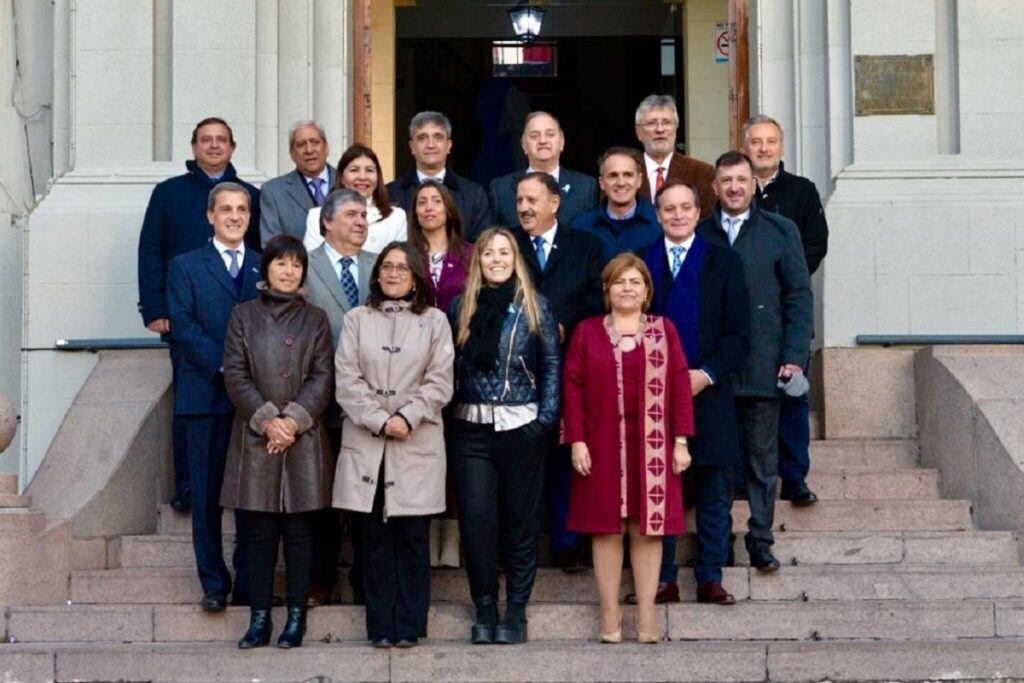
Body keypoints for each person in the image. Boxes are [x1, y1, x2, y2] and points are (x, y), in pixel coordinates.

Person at [564, 253, 694, 644]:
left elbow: (679, 384)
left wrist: (681, 442)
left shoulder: (663, 330)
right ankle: (609, 618)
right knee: (605, 530)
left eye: (635, 282)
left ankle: (648, 616)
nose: (627, 288)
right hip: (601, 443)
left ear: (647, 291)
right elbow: (573, 387)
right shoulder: (587, 332)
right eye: (619, 282)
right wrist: (577, 441)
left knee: (647, 530)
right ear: (607, 289)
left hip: (651, 446)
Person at [333, 242, 455, 649]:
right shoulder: (356, 319)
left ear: (417, 275)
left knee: (412, 538)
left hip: (416, 440)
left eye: (403, 268)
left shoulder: (435, 322)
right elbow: (346, 379)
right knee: (372, 539)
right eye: (387, 267)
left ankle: (409, 625)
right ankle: (379, 625)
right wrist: (380, 419)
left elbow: (440, 380)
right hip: (368, 441)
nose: (393, 274)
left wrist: (406, 416)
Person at [138, 116, 261, 513]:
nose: (213, 146)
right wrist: (155, 309)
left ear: (232, 147)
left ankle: (235, 482)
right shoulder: (169, 193)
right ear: (193, 147)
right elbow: (151, 250)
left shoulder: (251, 196)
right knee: (190, 404)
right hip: (186, 317)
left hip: (242, 323)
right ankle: (189, 485)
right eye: (205, 140)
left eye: (221, 140)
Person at [697, 151, 812, 572]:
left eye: (741, 180)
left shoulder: (781, 231)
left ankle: (760, 539)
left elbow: (799, 297)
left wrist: (794, 357)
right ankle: (718, 541)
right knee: (717, 462)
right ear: (714, 186)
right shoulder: (699, 233)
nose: (734, 188)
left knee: (764, 463)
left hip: (765, 365)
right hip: (714, 370)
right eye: (726, 180)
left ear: (753, 184)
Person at [221, 235, 335, 649]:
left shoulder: (316, 318)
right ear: (265, 268)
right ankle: (259, 619)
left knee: (302, 534)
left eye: (296, 265)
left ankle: (296, 620)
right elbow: (235, 374)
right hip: (256, 438)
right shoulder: (243, 316)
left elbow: (324, 376)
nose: (288, 271)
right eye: (280, 264)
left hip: (302, 439)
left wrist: (293, 422)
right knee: (260, 535)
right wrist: (269, 421)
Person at [448, 227, 561, 645]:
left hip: (521, 429)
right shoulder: (460, 307)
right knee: (477, 523)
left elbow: (551, 365)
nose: (497, 259)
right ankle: (484, 607)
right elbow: (448, 369)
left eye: (504, 252)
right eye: (489, 253)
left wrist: (544, 421)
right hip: (470, 430)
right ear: (478, 259)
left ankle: (515, 611)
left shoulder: (535, 306)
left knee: (520, 523)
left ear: (516, 259)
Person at [641, 181, 750, 606]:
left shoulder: (724, 261)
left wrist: (705, 374)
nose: (678, 215)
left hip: (710, 393)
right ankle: (663, 578)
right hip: (653, 397)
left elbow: (740, 334)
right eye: (669, 209)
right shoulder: (643, 262)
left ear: (699, 211)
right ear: (658, 213)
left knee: (713, 492)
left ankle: (709, 577)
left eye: (686, 208)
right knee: (660, 489)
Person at [166, 182, 260, 611]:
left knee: (248, 497)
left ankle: (247, 583)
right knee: (205, 498)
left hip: (254, 401)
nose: (235, 216)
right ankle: (214, 583)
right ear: (210, 216)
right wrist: (226, 367)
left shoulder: (263, 266)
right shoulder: (185, 266)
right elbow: (183, 327)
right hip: (205, 395)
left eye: (242, 209)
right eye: (226, 209)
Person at [512, 171, 604, 572]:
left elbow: (598, 297)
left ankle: (568, 545)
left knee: (569, 457)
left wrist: (562, 321)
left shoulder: (585, 245)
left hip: (573, 365)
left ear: (555, 203)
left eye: (532, 200)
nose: (524, 208)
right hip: (518, 371)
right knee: (524, 462)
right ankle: (520, 547)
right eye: (519, 201)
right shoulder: (507, 246)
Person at [742, 114, 829, 506]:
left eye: (770, 141)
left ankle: (794, 477)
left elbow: (815, 243)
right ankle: (747, 477)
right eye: (756, 142)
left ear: (781, 147)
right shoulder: (734, 189)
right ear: (745, 147)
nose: (763, 148)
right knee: (744, 399)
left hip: (787, 316)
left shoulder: (802, 191)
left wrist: (781, 281)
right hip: (745, 318)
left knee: (792, 399)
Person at [303, 188, 379, 606]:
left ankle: (366, 580)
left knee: (369, 498)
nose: (361, 222)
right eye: (351, 214)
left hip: (372, 405)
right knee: (325, 500)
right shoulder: (305, 269)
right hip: (323, 404)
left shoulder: (379, 268)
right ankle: (321, 579)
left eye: (364, 216)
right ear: (326, 222)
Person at [407, 179, 473, 568]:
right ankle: (427, 530)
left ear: (449, 208)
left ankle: (451, 535)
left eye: (436, 201)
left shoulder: (469, 254)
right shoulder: (406, 255)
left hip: (460, 365)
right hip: (413, 370)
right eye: (421, 202)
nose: (428, 207)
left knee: (454, 451)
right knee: (423, 452)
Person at [387, 111, 492, 241]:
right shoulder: (391, 194)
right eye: (422, 138)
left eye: (438, 137)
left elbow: (481, 247)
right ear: (412, 147)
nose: (430, 145)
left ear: (449, 146)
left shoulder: (474, 194)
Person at [489, 111, 598, 229]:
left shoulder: (586, 187)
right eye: (534, 136)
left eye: (550, 134)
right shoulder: (501, 189)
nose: (542, 141)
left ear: (562, 143)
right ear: (524, 145)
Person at [303, 144, 406, 254]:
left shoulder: (396, 217)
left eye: (369, 170)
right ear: (342, 177)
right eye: (354, 170)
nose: (362, 177)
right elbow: (312, 264)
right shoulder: (316, 216)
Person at [571, 147, 662, 261]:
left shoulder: (660, 223)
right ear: (602, 183)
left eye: (628, 175)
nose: (621, 183)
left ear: (639, 180)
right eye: (613, 175)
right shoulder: (581, 227)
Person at [634, 95, 715, 219]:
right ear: (639, 133)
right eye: (651, 123)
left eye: (666, 122)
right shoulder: (625, 173)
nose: (660, 129)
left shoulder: (703, 172)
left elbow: (706, 223)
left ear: (676, 130)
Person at [259, 120, 335, 244]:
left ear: (326, 148)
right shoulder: (273, 192)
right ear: (292, 154)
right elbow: (272, 245)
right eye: (301, 144)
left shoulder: (347, 182)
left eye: (315, 142)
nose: (309, 150)